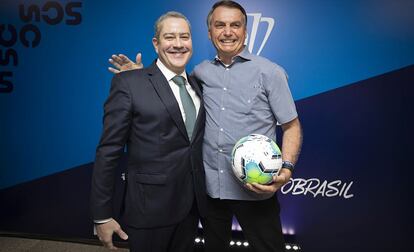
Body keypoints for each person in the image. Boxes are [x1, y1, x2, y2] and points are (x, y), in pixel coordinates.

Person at [108, 1, 303, 251]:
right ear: (210, 32)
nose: (228, 31)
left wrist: (286, 169)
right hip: (210, 192)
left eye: (235, 25)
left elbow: (292, 126)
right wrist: (140, 78)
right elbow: (168, 88)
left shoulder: (270, 72)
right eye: (219, 25)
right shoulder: (200, 73)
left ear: (245, 30)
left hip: (255, 190)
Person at [90, 11, 207, 252]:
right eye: (169, 37)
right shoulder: (129, 83)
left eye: (184, 37)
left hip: (191, 208)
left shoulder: (197, 85)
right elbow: (108, 151)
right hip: (148, 210)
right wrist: (101, 215)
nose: (177, 44)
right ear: (156, 43)